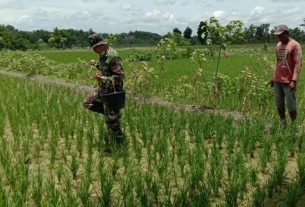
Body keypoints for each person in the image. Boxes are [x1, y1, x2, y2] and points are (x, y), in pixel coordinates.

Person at [83, 33, 125, 152]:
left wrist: (102, 79)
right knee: (87, 103)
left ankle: (118, 146)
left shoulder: (113, 57)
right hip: (103, 90)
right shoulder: (103, 55)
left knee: (113, 122)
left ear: (101, 45)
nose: (94, 50)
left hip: (113, 93)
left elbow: (119, 77)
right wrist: (96, 64)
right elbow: (105, 68)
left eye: (95, 47)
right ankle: (112, 115)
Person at [270, 24, 302, 126]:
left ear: (287, 33)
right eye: (277, 36)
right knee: (279, 103)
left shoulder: (295, 45)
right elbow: (278, 62)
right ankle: (283, 122)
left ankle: (293, 125)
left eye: (281, 35)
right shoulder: (278, 45)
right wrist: (274, 77)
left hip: (288, 81)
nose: (279, 37)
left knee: (291, 105)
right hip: (278, 80)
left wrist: (294, 80)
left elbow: (298, 64)